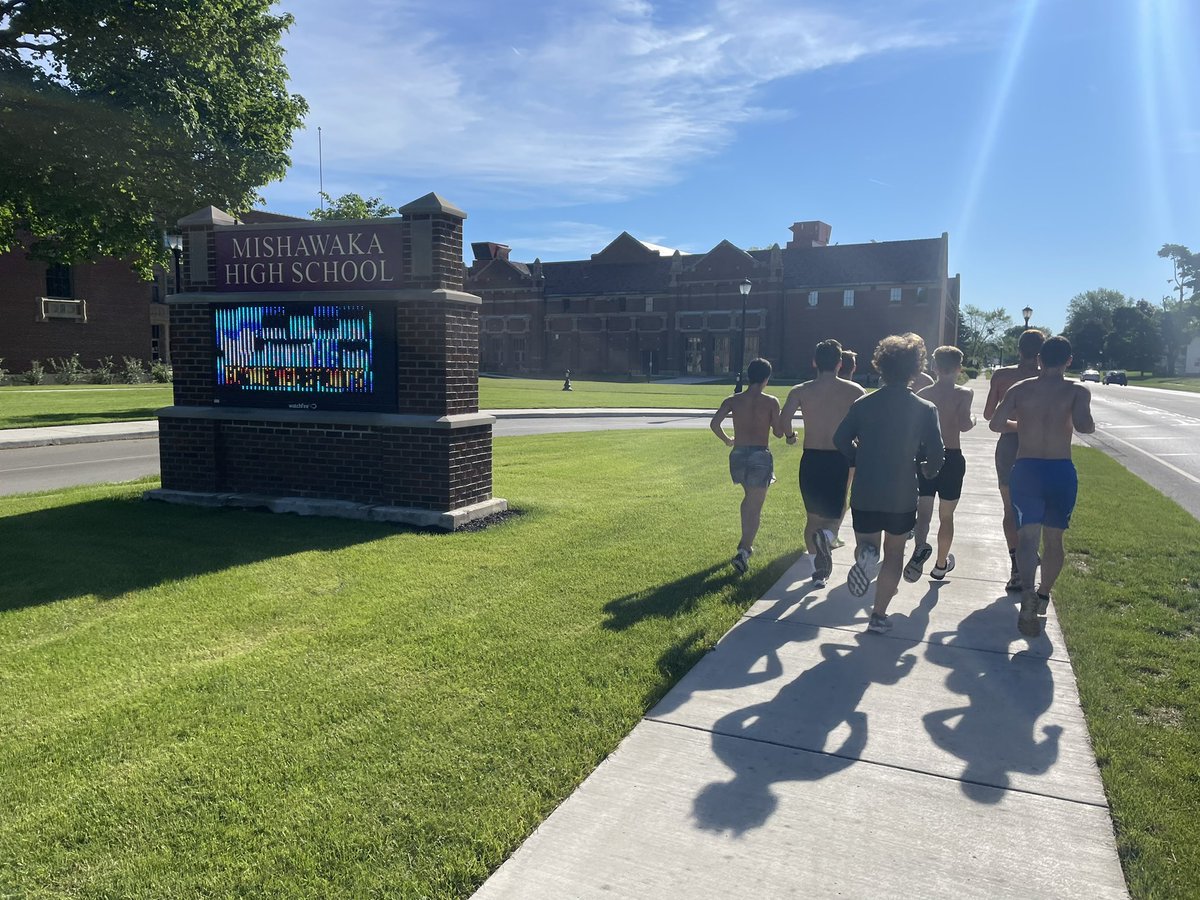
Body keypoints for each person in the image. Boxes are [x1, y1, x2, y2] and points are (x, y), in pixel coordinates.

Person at [834, 334, 945, 633]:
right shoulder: (924, 408)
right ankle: (878, 615)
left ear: (881, 366)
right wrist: (928, 470)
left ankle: (865, 560)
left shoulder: (863, 404)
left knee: (867, 546)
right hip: (902, 492)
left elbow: (840, 439)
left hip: (867, 488)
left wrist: (859, 456)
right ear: (915, 369)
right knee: (895, 553)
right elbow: (937, 453)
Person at [989, 335, 1094, 636]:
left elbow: (995, 424)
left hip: (1027, 468)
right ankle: (1044, 595)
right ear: (1069, 361)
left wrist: (1025, 424)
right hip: (1060, 469)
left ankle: (1026, 596)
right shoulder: (1077, 391)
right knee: (1054, 539)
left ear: (1038, 359)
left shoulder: (1020, 389)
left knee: (1027, 539)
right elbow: (1085, 426)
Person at [776, 339, 865, 586]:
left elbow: (784, 423)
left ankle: (817, 570)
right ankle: (826, 540)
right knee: (833, 517)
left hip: (812, 458)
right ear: (839, 364)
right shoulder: (855, 391)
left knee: (812, 519)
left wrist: (792, 436)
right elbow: (865, 427)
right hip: (839, 458)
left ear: (814, 362)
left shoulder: (800, 390)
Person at [904, 346, 976, 582]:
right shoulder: (964, 394)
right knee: (946, 516)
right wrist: (974, 419)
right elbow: (965, 424)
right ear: (959, 368)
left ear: (934, 367)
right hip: (952, 456)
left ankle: (920, 549)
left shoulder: (922, 394)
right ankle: (940, 565)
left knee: (923, 512)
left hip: (926, 456)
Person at [984, 329, 1046, 591]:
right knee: (1035, 508)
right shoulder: (1049, 379)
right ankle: (1028, 557)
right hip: (1041, 448)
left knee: (1010, 509)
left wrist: (1016, 424)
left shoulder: (1002, 376)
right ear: (1041, 353)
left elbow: (989, 414)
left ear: (1018, 349)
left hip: (1009, 446)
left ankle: (1016, 566)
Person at [711, 358, 783, 574]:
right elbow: (779, 432)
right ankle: (744, 550)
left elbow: (714, 424)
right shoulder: (771, 401)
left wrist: (727, 440)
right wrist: (791, 433)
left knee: (749, 498)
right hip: (760, 455)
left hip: (738, 454)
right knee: (755, 504)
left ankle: (745, 544)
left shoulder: (733, 400)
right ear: (766, 378)